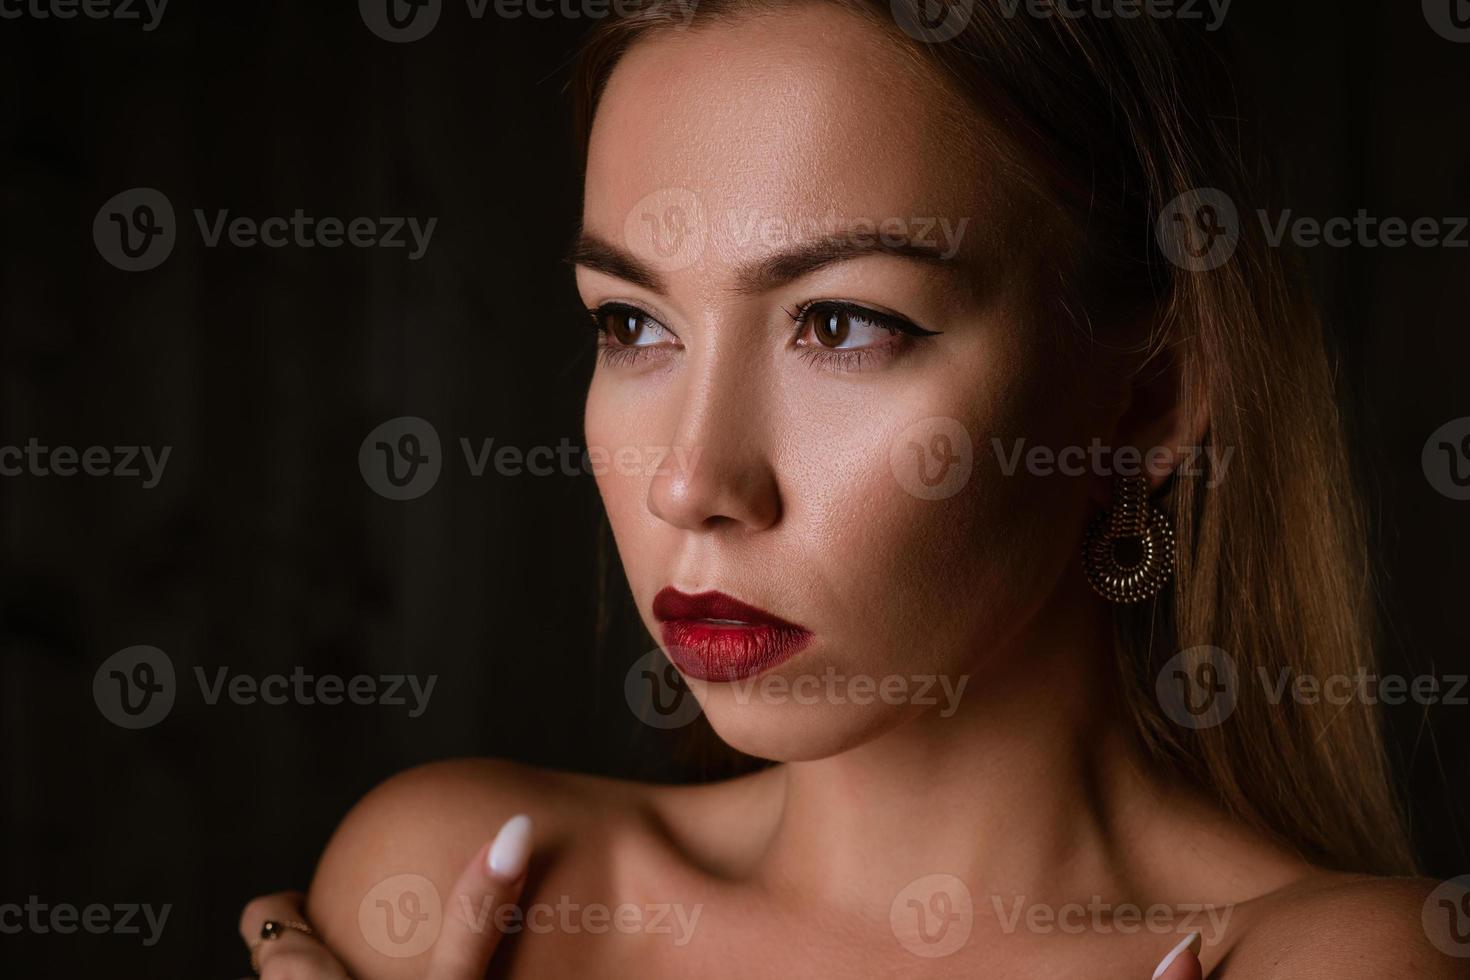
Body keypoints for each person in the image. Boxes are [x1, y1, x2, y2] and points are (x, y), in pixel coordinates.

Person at [238, 2, 1464, 976]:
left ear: (1148, 397)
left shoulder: (1334, 960)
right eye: (633, 324)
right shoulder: (462, 894)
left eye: (840, 323)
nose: (691, 481)